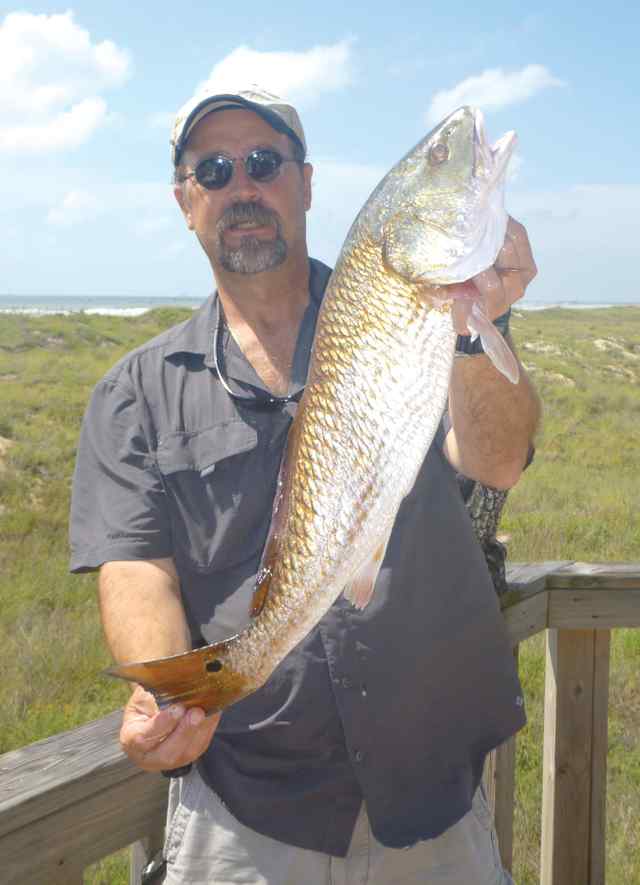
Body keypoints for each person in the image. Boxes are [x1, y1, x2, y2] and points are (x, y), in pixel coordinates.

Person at [70, 86, 540, 884]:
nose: (240, 187)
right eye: (213, 170)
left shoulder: (405, 309)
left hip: (433, 802)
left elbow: (497, 459)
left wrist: (474, 321)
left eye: (263, 162)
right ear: (186, 201)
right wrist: (173, 697)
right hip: (248, 809)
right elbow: (137, 564)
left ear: (308, 183)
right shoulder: (133, 392)